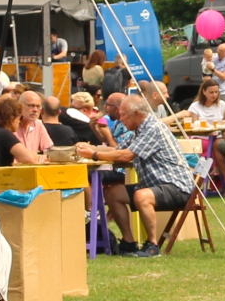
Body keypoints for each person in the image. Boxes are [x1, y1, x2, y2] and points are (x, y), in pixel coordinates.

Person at [81, 93, 191, 255]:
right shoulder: (139, 131)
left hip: (176, 186)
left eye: (124, 115)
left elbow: (126, 155)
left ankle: (152, 245)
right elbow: (117, 150)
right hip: (154, 185)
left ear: (137, 114)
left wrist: (94, 155)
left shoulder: (154, 129)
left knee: (141, 195)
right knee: (112, 193)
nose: (121, 119)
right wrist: (89, 149)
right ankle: (128, 242)